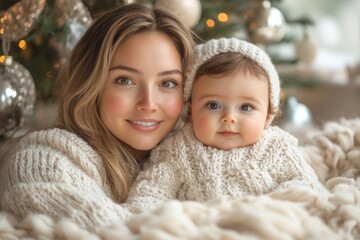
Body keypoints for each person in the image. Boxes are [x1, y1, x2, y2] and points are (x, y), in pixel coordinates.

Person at [0, 3, 194, 231]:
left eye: (167, 83)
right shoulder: (44, 157)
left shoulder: (194, 156)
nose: (148, 103)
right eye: (125, 80)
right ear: (92, 84)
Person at [126, 38, 325, 213]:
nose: (229, 117)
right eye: (213, 105)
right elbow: (151, 193)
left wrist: (271, 208)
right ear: (190, 110)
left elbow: (306, 186)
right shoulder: (177, 151)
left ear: (267, 116)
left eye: (246, 107)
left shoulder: (278, 147)